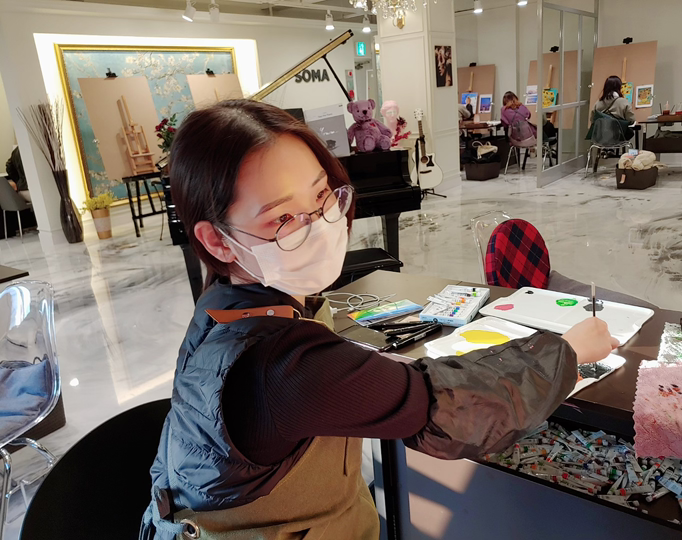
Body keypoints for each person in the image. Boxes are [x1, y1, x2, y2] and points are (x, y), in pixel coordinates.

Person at [140, 99, 619, 539]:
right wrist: (568, 350)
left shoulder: (223, 301)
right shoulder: (283, 369)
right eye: (282, 219)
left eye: (322, 196)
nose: (320, 226)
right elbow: (450, 409)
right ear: (218, 240)